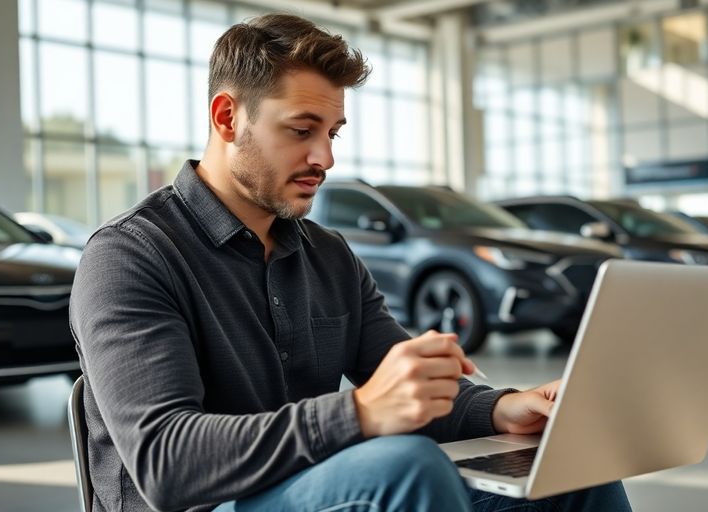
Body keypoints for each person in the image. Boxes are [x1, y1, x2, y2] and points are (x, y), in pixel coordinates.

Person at [70, 13, 631, 512]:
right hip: (201, 504)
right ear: (226, 118)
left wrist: (504, 408)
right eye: (301, 130)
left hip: (310, 486)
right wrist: (358, 413)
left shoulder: (328, 256)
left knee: (565, 466)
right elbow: (167, 465)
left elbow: (407, 382)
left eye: (332, 132)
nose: (325, 158)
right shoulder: (128, 257)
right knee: (403, 467)